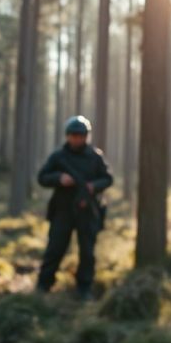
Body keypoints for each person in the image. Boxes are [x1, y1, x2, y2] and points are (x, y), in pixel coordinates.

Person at [36, 115, 113, 299]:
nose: (77, 138)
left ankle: (84, 288)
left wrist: (94, 186)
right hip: (62, 211)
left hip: (87, 211)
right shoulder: (58, 157)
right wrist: (59, 179)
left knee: (87, 252)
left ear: (86, 136)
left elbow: (108, 178)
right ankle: (43, 285)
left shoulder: (95, 157)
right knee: (55, 248)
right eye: (73, 135)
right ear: (67, 136)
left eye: (80, 135)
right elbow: (42, 177)